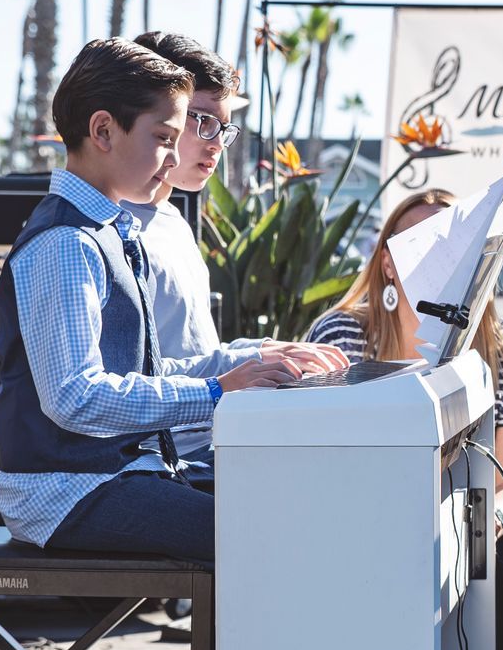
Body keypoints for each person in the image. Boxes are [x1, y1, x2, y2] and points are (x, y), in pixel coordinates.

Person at [0, 38, 324, 650]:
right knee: (260, 537)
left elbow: (154, 367)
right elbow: (75, 401)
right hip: (66, 491)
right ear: (102, 132)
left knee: (304, 515)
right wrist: (218, 390)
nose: (177, 155)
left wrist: (264, 363)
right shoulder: (65, 243)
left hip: (124, 473)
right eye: (165, 137)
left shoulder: (121, 229)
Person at [305, 190, 503, 650]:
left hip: (470, 517)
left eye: (450, 242)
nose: (435, 255)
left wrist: (486, 521)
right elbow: (322, 464)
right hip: (366, 525)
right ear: (387, 263)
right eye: (417, 242)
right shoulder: (341, 335)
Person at [122, 31, 347, 463]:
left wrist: (265, 351)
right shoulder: (114, 230)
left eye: (223, 130)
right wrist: (247, 363)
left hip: (208, 444)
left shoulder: (173, 222)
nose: (214, 144)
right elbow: (129, 380)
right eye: (201, 120)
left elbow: (191, 357)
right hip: (153, 461)